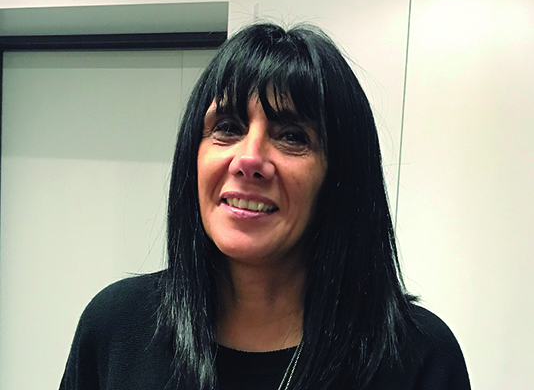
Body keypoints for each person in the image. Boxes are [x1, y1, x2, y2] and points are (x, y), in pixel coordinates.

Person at [60, 23, 470, 390]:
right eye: (227, 128)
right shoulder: (116, 326)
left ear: (340, 176)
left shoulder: (420, 358)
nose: (249, 159)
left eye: (292, 136)